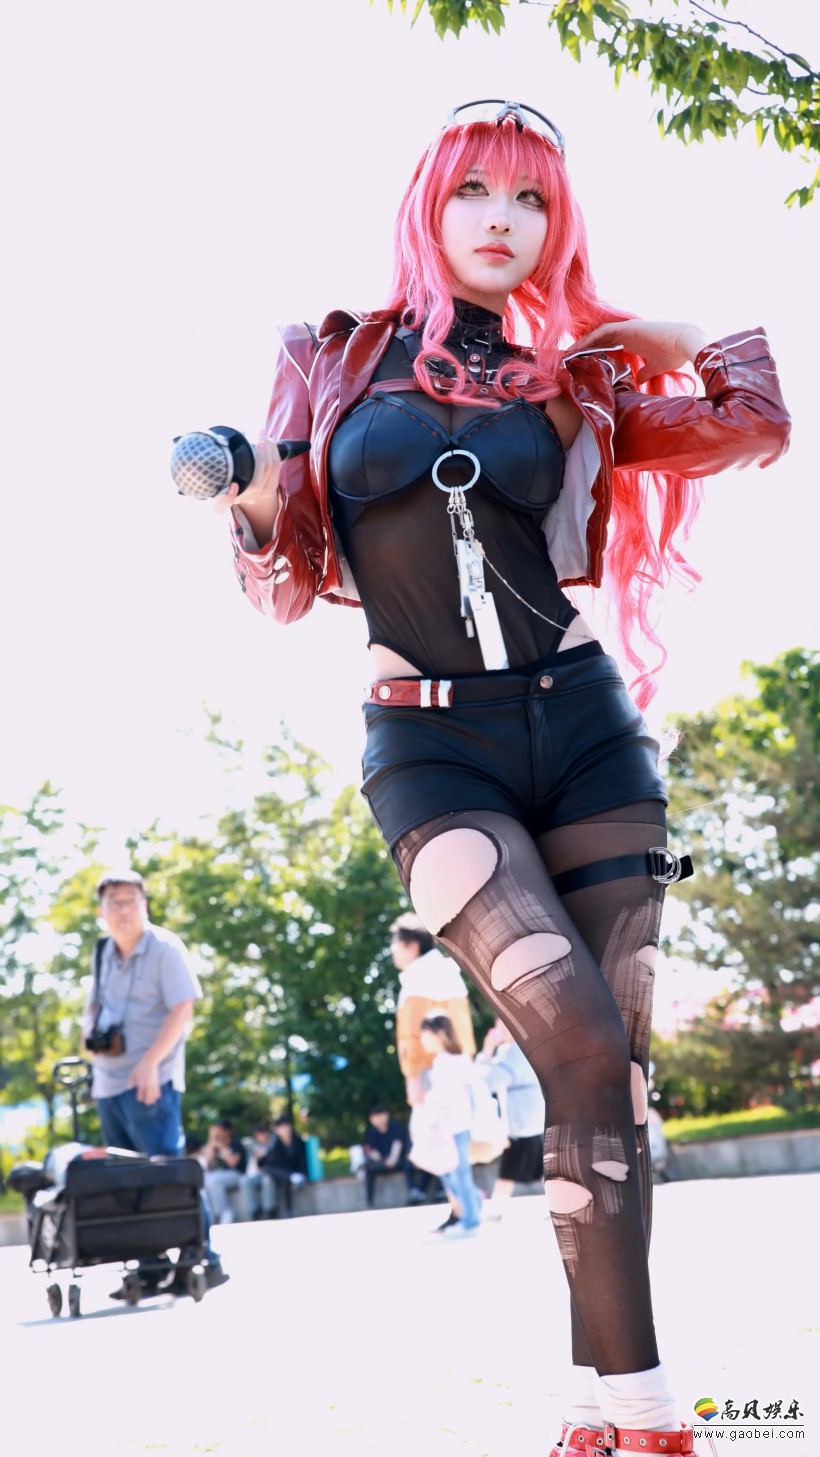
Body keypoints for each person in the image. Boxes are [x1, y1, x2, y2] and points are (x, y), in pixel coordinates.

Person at [214, 100, 789, 1456]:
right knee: (576, 1042)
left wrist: (659, 330)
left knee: (613, 1081)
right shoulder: (329, 357)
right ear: (429, 204)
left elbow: (755, 423)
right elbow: (284, 585)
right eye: (475, 190)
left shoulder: (569, 373)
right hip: (431, 748)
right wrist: (247, 501)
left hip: (587, 730)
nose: (501, 219)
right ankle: (654, 1412)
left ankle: (599, 1405)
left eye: (532, 200)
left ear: (555, 225)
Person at [83, 870, 226, 1292]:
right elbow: (93, 1007)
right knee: (126, 1179)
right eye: (115, 902)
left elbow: (183, 1008)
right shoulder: (102, 951)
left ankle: (204, 1260)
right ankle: (151, 1266)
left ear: (144, 904)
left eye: (132, 900)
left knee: (168, 1171)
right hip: (108, 1082)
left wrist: (149, 1063)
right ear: (101, 911)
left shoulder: (165, 947)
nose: (124, 910)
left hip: (152, 1080)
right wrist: (91, 1051)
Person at [390, 913, 476, 1109]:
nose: (392, 950)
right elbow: (464, 1033)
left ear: (412, 946)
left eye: (396, 944)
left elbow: (413, 1034)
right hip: (460, 1068)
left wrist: (413, 1077)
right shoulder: (447, 972)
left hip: (430, 1074)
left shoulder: (418, 977)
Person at [418, 1013, 483, 1238]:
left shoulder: (451, 1060)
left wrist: (432, 1098)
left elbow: (449, 1095)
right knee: (452, 1172)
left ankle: (471, 1219)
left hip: (455, 1125)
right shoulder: (451, 1059)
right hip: (451, 1126)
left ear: (438, 1034)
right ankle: (473, 1209)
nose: (423, 1040)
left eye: (425, 1034)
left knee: (458, 1173)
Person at [476, 1017, 545, 1216]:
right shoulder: (517, 1050)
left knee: (510, 1169)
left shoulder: (514, 1052)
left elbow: (485, 1081)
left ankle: (496, 1209)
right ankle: (559, 1204)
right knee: (542, 1170)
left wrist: (486, 1051)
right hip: (529, 1121)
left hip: (522, 1124)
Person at [360, 1103, 415, 1208]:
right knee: (369, 1170)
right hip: (381, 1163)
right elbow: (371, 1150)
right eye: (373, 1117)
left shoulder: (394, 1127)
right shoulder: (372, 1131)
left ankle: (413, 1192)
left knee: (408, 1165)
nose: (376, 1119)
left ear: (385, 1115)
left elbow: (397, 1144)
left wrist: (392, 1159)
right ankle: (369, 1202)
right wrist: (379, 1159)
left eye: (378, 1116)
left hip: (397, 1161)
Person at [258, 1113, 309, 1217]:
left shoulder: (298, 1141)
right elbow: (269, 1162)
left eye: (285, 1127)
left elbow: (303, 1161)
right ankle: (291, 1177)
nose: (283, 1130)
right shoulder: (277, 1143)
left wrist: (303, 1174)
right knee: (270, 1171)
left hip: (297, 1172)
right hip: (285, 1173)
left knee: (284, 1178)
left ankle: (288, 1209)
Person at [202, 1117, 248, 1224]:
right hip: (221, 1174)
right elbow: (207, 1162)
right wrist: (211, 1140)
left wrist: (222, 1147)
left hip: (237, 1174)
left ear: (227, 1130)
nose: (219, 1134)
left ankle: (226, 1212)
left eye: (220, 1130)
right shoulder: (216, 1144)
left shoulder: (236, 1143)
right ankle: (212, 1214)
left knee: (214, 1181)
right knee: (206, 1178)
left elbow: (233, 1163)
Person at [243, 1122, 278, 1218]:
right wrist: (256, 1157)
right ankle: (254, 1210)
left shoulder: (275, 1143)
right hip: (257, 1173)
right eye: (259, 1134)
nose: (262, 1136)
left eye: (263, 1133)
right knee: (245, 1180)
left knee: (267, 1179)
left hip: (272, 1172)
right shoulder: (253, 1147)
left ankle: (270, 1209)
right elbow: (251, 1168)